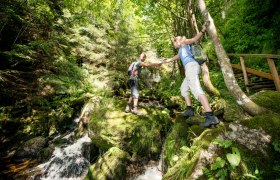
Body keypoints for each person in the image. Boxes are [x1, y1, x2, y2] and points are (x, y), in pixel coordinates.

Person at [163, 23, 219, 127]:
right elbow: (173, 58)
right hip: (190, 70)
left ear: (178, 41)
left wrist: (202, 30)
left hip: (191, 67)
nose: (173, 45)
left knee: (197, 90)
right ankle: (189, 109)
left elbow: (194, 39)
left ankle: (210, 117)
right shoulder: (180, 51)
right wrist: (163, 62)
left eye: (174, 43)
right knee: (183, 89)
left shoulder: (184, 43)